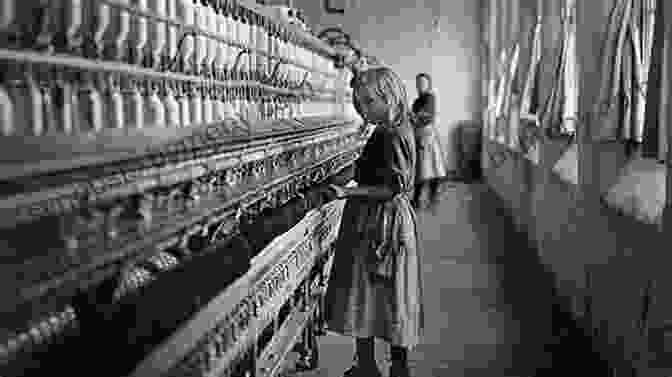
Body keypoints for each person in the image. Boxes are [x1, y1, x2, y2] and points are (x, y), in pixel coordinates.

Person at [322, 67, 424, 377]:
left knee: (376, 290)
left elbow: (395, 187)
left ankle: (389, 366)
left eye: (368, 102)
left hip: (381, 220)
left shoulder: (393, 133)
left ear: (389, 96)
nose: (362, 109)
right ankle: (371, 364)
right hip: (375, 217)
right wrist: (340, 177)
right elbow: (364, 166)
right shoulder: (385, 128)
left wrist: (346, 192)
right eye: (357, 102)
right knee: (377, 293)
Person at [411, 73, 447, 209]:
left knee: (433, 169)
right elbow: (414, 117)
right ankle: (417, 199)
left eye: (423, 83)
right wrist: (415, 117)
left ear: (428, 85)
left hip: (428, 135)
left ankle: (432, 197)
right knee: (420, 170)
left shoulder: (430, 98)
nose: (420, 86)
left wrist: (416, 116)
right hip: (419, 135)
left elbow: (427, 116)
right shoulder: (416, 101)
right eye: (418, 83)